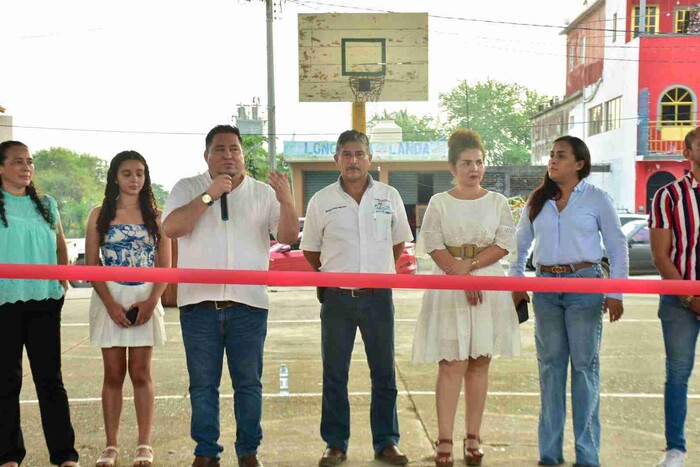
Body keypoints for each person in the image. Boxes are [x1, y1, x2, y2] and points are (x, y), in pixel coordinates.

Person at [162, 125, 299, 467]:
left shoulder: (262, 193)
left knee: (248, 385)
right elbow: (171, 228)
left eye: (235, 149)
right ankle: (206, 452)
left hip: (248, 305)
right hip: (198, 306)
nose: (229, 156)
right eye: (220, 149)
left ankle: (249, 451)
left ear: (243, 154)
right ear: (206, 155)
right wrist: (209, 195)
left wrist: (285, 199)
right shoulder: (188, 188)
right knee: (203, 386)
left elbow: (287, 235)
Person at [509, 136, 628, 467]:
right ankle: (549, 455)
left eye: (560, 156)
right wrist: (516, 284)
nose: (552, 161)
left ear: (579, 164)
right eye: (551, 155)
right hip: (545, 289)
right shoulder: (538, 200)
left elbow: (618, 247)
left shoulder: (597, 199)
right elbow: (520, 245)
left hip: (585, 288)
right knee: (550, 369)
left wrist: (616, 292)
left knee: (584, 369)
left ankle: (587, 457)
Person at [301, 129, 414, 467]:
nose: (353, 160)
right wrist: (336, 273)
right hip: (337, 300)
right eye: (346, 154)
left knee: (384, 373)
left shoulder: (389, 195)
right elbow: (311, 251)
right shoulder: (321, 200)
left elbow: (398, 242)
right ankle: (335, 444)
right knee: (335, 373)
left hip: (379, 297)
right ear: (336, 159)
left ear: (370, 158)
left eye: (359, 154)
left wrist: (377, 270)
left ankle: (386, 442)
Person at [412, 129, 521, 466]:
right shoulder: (439, 202)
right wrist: (459, 274)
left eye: (479, 162)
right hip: (449, 282)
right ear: (452, 167)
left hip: (487, 280)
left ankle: (473, 436)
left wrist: (471, 267)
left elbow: (504, 243)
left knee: (480, 361)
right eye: (466, 163)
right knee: (451, 362)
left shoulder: (498, 202)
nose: (474, 168)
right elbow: (431, 242)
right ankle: (444, 439)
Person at [85, 151, 171, 467]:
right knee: (113, 374)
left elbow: (166, 265)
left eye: (139, 173)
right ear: (115, 178)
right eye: (126, 173)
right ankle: (110, 446)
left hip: (146, 298)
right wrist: (109, 303)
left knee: (140, 373)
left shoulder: (157, 216)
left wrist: (151, 302)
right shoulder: (99, 214)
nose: (134, 179)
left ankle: (144, 444)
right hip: (109, 297)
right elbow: (91, 265)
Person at [0, 140, 80, 467]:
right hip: (4, 302)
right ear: (1, 168)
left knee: (50, 379)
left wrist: (61, 282)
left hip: (45, 301)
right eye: (18, 161)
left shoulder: (47, 204)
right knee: (6, 380)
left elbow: (60, 246)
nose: (26, 167)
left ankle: (64, 454)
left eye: (29, 161)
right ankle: (8, 455)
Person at [649, 127, 700, 467]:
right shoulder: (669, 195)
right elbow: (661, 256)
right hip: (681, 301)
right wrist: (690, 297)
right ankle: (675, 449)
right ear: (688, 152)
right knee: (678, 374)